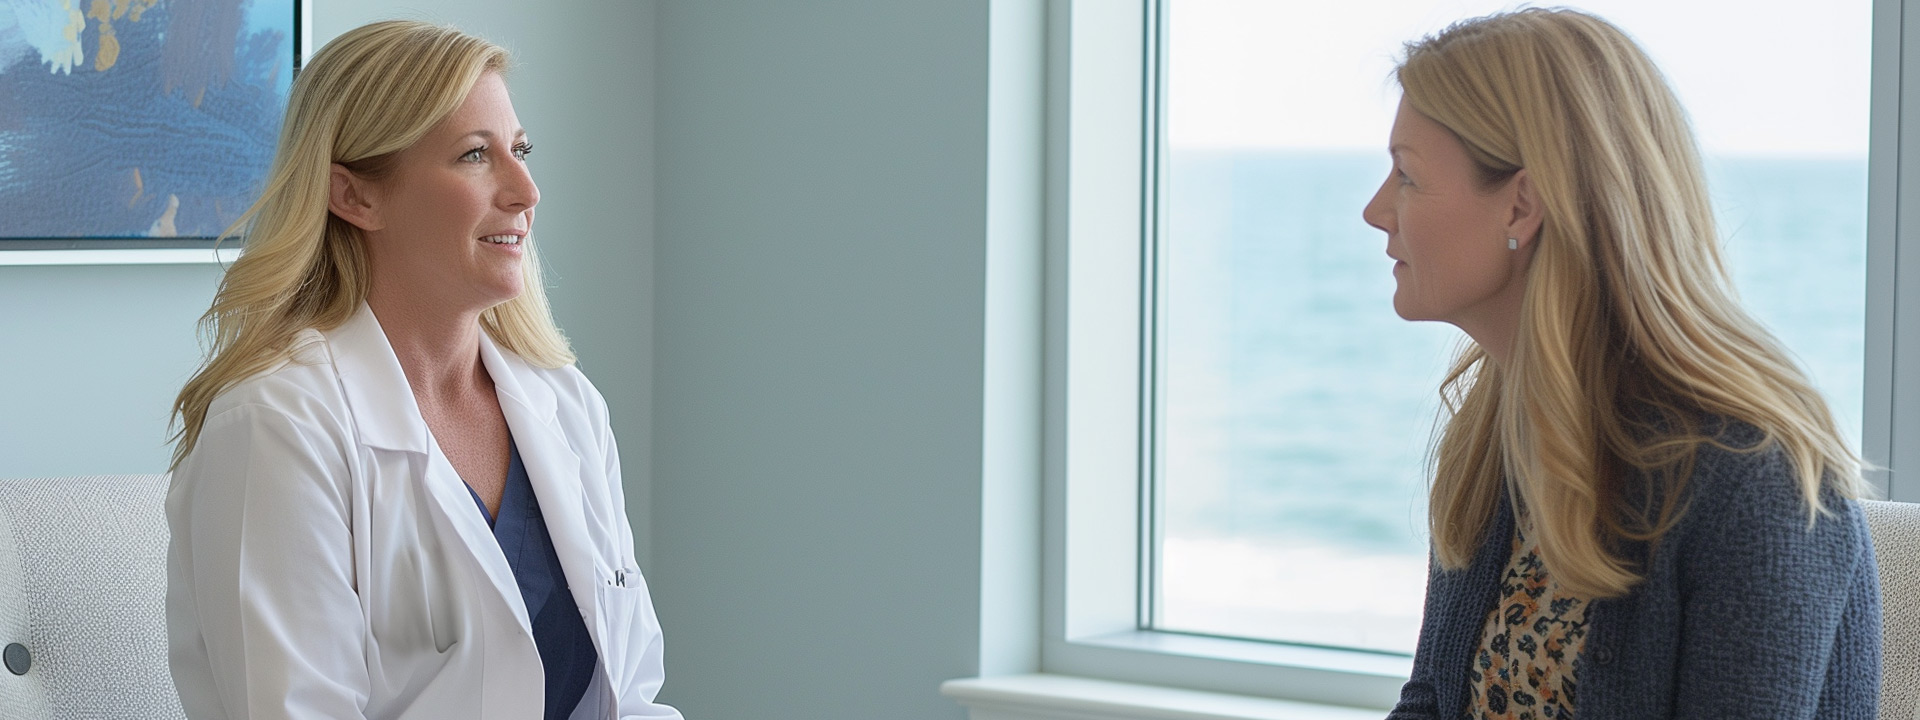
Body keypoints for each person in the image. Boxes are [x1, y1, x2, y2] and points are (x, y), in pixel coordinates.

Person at [1361, 9, 1880, 719]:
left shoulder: (1755, 481)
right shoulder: (1499, 430)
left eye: (1407, 176)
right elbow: (1431, 704)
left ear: (1521, 205)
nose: (1375, 209)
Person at [165, 20, 682, 720]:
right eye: (475, 155)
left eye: (521, 150)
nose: (526, 190)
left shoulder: (566, 405)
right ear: (355, 197)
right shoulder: (274, 427)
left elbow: (635, 695)